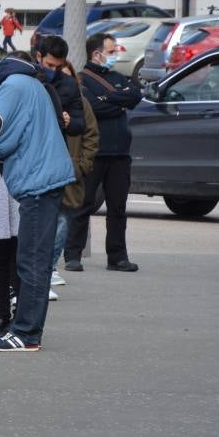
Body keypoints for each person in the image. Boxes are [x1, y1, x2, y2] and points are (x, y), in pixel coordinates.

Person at [0, 55, 75, 352]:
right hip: (43, 177)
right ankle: (25, 330)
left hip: (37, 180)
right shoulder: (30, 83)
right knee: (32, 260)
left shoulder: (11, 87)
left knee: (32, 262)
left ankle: (27, 333)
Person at [69, 32, 143, 272]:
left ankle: (118, 257)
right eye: (111, 52)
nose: (115, 56)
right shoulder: (82, 80)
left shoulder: (117, 77)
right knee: (84, 204)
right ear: (96, 54)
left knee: (118, 208)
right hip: (94, 153)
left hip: (120, 153)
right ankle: (73, 254)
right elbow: (93, 107)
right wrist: (117, 102)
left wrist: (111, 98)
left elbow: (135, 95)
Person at [38, 37, 96, 295]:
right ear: (39, 57)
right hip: (31, 161)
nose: (53, 70)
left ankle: (47, 270)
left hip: (59, 162)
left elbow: (81, 126)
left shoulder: (69, 86)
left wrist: (67, 121)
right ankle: (31, 273)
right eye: (49, 64)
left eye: (58, 66)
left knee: (60, 220)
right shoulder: (26, 80)